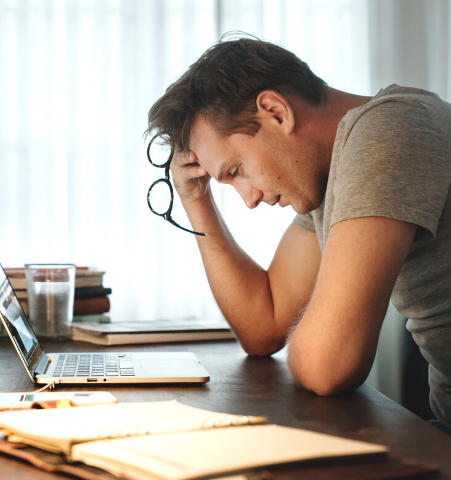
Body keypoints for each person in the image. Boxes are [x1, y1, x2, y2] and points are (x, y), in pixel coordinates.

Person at [145, 34, 451, 433]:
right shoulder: (329, 174)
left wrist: (318, 336)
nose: (249, 199)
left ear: (275, 111)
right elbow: (264, 325)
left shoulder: (389, 130)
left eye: (236, 170)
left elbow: (328, 364)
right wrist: (196, 200)